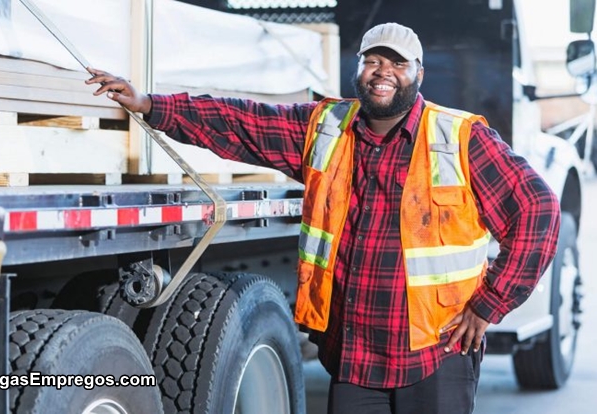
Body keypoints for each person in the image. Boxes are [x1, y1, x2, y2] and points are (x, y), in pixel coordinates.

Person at [86, 22, 561, 414]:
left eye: (397, 63)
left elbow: (539, 210)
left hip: (436, 353)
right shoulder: (325, 128)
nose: (383, 72)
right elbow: (240, 121)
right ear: (358, 69)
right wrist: (152, 105)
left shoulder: (457, 136)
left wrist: (488, 304)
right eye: (373, 60)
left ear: (418, 73)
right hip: (352, 355)